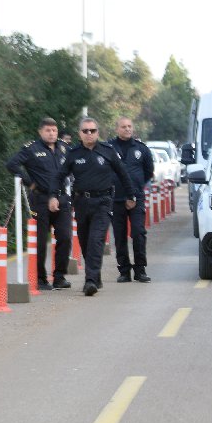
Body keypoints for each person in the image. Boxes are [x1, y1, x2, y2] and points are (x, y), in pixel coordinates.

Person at [60, 117, 137, 295]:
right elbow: (60, 175)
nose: (89, 134)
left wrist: (130, 195)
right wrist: (53, 196)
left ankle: (90, 280)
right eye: (85, 131)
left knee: (96, 240)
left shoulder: (107, 151)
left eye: (92, 130)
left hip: (103, 202)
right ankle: (95, 276)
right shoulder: (73, 153)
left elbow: (123, 174)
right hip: (81, 202)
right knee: (86, 241)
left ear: (97, 132)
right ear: (80, 133)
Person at [6, 117, 72, 290]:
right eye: (48, 130)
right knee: (41, 241)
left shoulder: (64, 148)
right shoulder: (31, 149)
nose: (51, 134)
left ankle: (59, 277)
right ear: (40, 132)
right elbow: (12, 164)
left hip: (62, 199)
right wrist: (30, 183)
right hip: (40, 200)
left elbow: (73, 166)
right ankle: (41, 279)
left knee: (65, 238)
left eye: (54, 130)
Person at [108, 117, 154, 283]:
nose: (127, 129)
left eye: (129, 126)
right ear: (117, 129)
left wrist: (136, 187)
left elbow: (148, 171)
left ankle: (140, 269)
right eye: (123, 127)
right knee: (119, 235)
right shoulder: (109, 148)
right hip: (116, 198)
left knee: (138, 232)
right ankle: (124, 271)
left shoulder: (141, 149)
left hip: (136, 197)